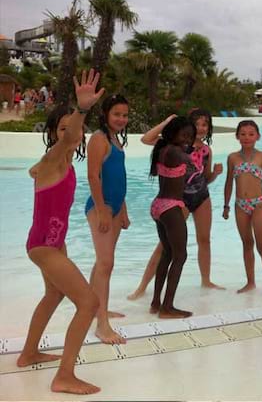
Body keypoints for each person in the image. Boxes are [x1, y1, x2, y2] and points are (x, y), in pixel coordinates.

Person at [17, 69, 103, 395]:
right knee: (89, 303)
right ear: (54, 133)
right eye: (63, 127)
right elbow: (65, 141)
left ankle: (28, 353)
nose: (71, 132)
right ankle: (65, 375)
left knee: (53, 295)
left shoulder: (62, 163)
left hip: (53, 243)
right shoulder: (54, 158)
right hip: (44, 246)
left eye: (75, 127)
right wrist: (81, 110)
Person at [127, 110, 225, 301]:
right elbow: (147, 139)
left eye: (205, 124)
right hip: (180, 199)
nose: (201, 128)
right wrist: (167, 121)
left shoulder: (206, 151)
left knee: (204, 240)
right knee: (165, 247)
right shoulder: (174, 145)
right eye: (197, 124)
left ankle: (206, 280)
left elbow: (205, 178)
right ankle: (142, 286)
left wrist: (216, 174)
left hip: (202, 196)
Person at [85, 94, 130, 344]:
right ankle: (102, 324)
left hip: (114, 207)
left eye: (125, 115)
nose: (121, 119)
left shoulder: (115, 139)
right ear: (105, 114)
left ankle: (96, 307)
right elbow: (93, 176)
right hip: (100, 207)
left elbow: (119, 177)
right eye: (116, 114)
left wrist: (122, 209)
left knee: (103, 262)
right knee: (106, 263)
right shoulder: (99, 139)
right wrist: (102, 209)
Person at [223, 120, 262, 298]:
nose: (247, 137)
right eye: (243, 134)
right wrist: (225, 206)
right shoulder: (232, 158)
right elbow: (228, 183)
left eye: (251, 134)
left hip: (258, 205)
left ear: (258, 136)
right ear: (237, 136)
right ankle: (250, 282)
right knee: (247, 244)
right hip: (240, 205)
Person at [149, 116, 197, 318]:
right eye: (183, 134)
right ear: (172, 133)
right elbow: (191, 164)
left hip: (159, 205)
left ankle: (156, 302)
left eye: (190, 135)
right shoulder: (175, 151)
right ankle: (167, 307)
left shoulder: (162, 148)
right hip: (170, 207)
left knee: (168, 253)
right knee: (180, 255)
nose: (187, 138)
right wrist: (193, 158)